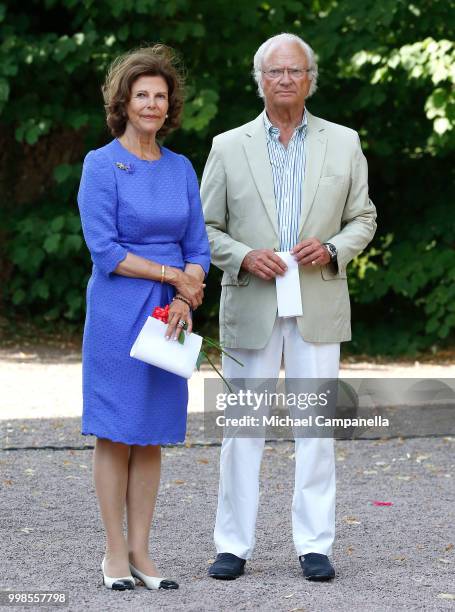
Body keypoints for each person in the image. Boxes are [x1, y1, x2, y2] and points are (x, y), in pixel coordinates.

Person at [201, 33, 377, 581]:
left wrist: (331, 248)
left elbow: (364, 219)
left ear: (310, 79)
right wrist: (243, 256)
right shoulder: (227, 146)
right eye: (274, 71)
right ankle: (232, 544)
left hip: (316, 302)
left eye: (295, 71)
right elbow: (204, 230)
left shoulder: (344, 142)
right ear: (260, 80)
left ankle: (315, 545)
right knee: (243, 428)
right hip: (251, 302)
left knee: (315, 427)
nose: (285, 80)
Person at [77, 45, 210, 591]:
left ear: (169, 105)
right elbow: (105, 251)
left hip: (167, 315)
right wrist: (171, 275)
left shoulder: (180, 168)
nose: (152, 104)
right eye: (142, 96)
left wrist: (183, 295)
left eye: (160, 95)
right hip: (116, 311)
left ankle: (142, 553)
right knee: (115, 432)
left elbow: (197, 248)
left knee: (151, 435)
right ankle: (112, 553)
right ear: (124, 104)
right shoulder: (101, 164)